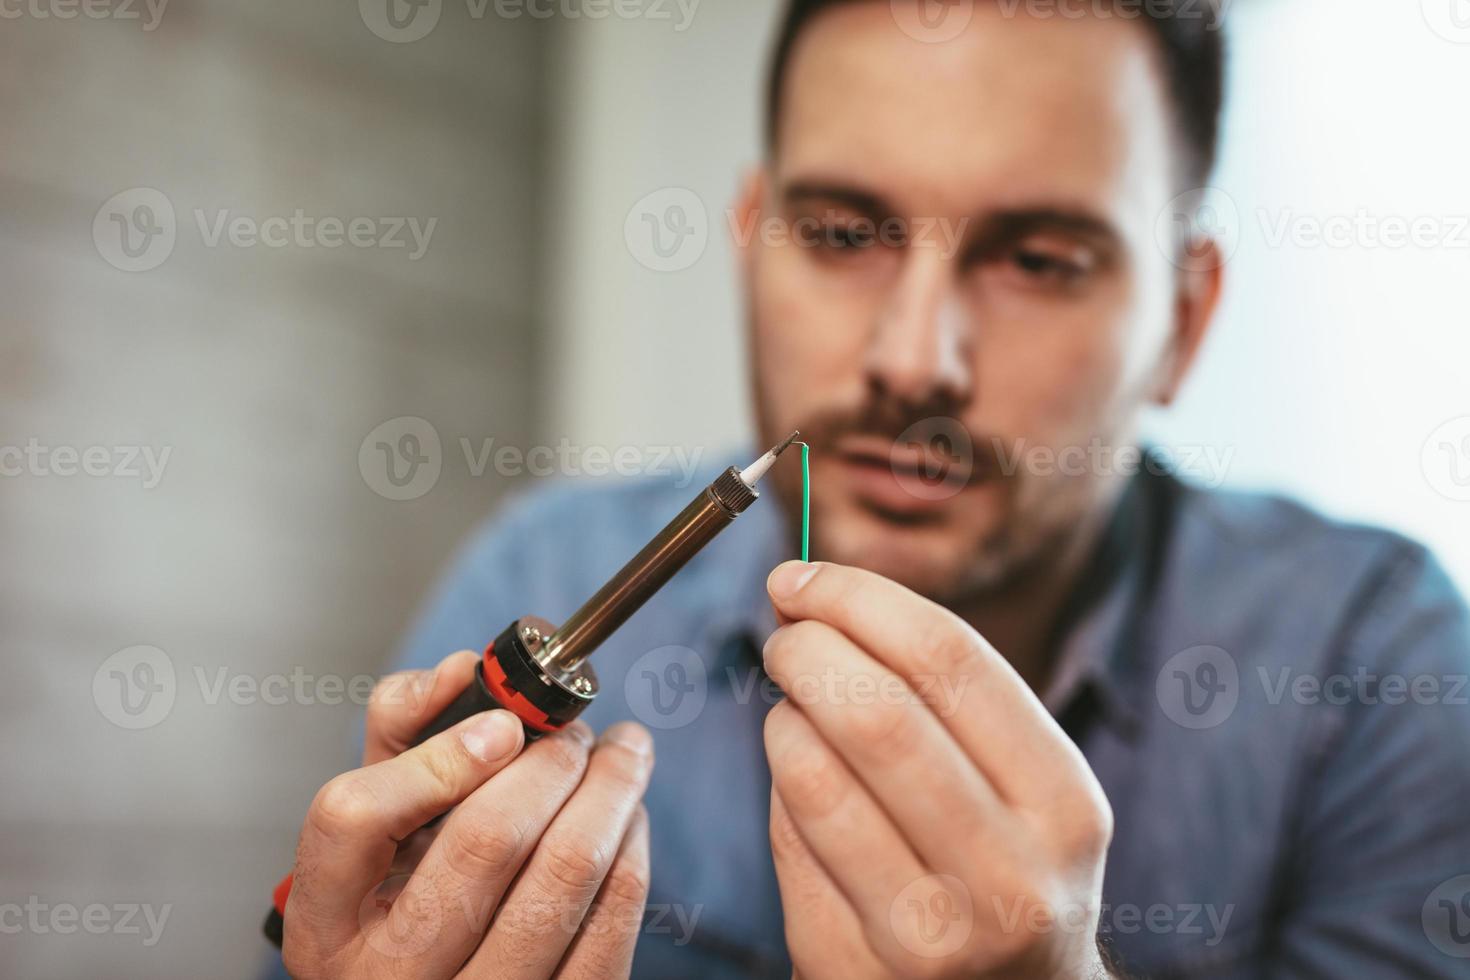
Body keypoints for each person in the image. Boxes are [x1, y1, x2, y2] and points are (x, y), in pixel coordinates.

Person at [270, 1, 1470, 977]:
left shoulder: (1373, 661)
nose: (912, 357)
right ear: (751, 244)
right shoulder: (536, 570)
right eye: (845, 234)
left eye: (1038, 259)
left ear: (1183, 322)